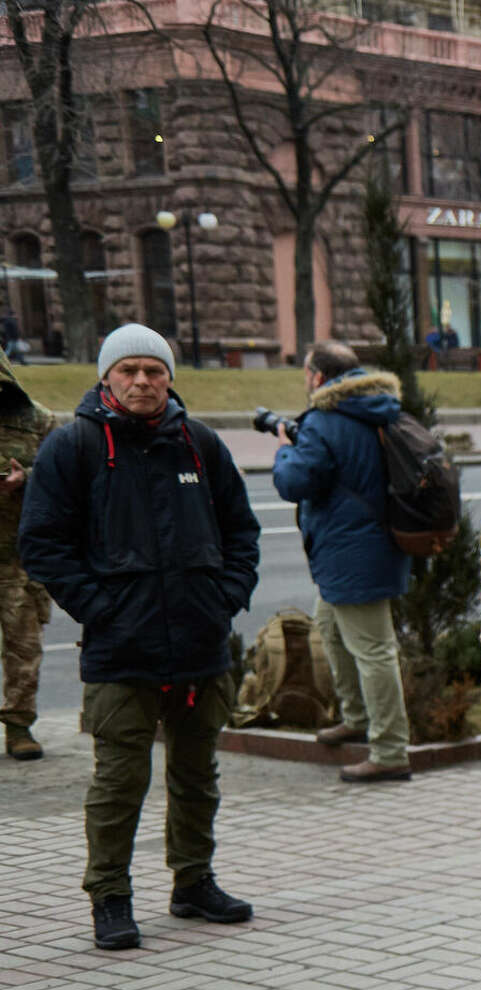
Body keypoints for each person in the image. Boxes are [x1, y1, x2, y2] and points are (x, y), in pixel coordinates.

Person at [17, 325, 260, 951]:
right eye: (129, 371)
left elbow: (241, 531)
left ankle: (193, 882)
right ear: (106, 378)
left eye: (154, 370)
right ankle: (110, 896)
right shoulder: (72, 448)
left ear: (170, 378)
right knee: (120, 781)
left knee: (196, 774)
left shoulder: (199, 445)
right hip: (120, 649)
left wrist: (223, 600)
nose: (143, 381)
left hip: (201, 645)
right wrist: (101, 610)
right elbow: (42, 544)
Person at [271, 341, 414, 783]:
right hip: (368, 547)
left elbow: (296, 481)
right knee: (331, 630)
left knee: (373, 650)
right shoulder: (378, 409)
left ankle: (390, 751)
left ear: (317, 377)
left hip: (352, 551)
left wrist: (283, 449)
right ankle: (355, 717)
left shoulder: (325, 419)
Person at [0, 353, 60, 760]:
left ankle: (19, 726)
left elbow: (65, 474)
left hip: (18, 557)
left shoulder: (38, 420)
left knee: (24, 647)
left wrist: (28, 479)